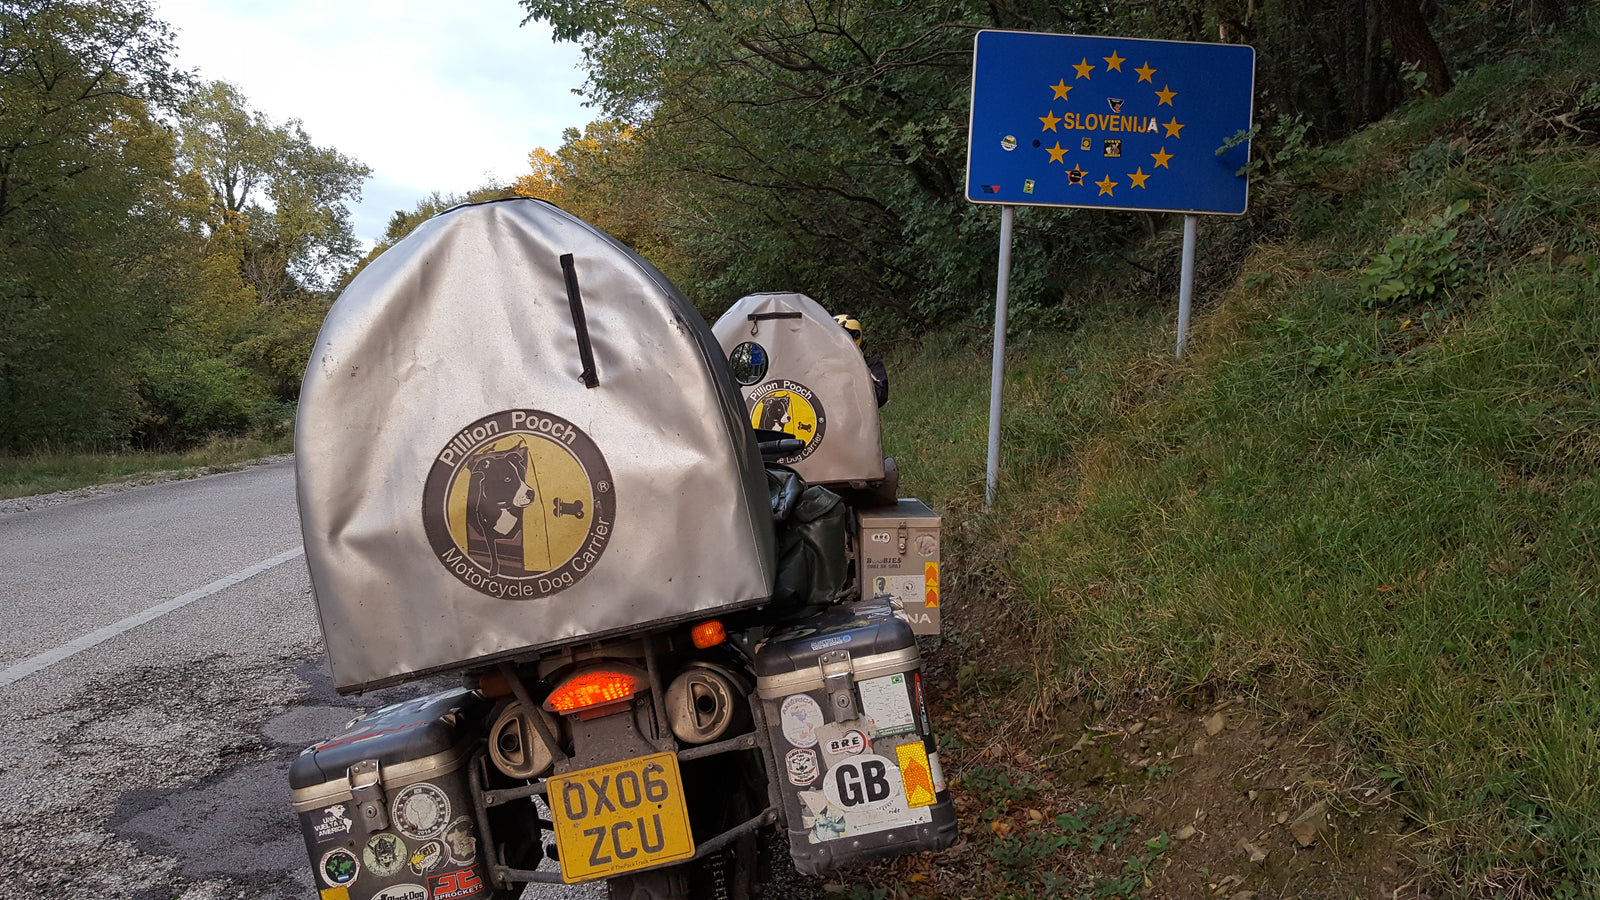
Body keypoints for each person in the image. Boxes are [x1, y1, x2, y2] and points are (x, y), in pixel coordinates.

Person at [834, 314, 888, 407]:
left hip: (862, 418)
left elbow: (881, 395)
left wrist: (857, 370)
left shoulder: (870, 365)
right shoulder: (825, 367)